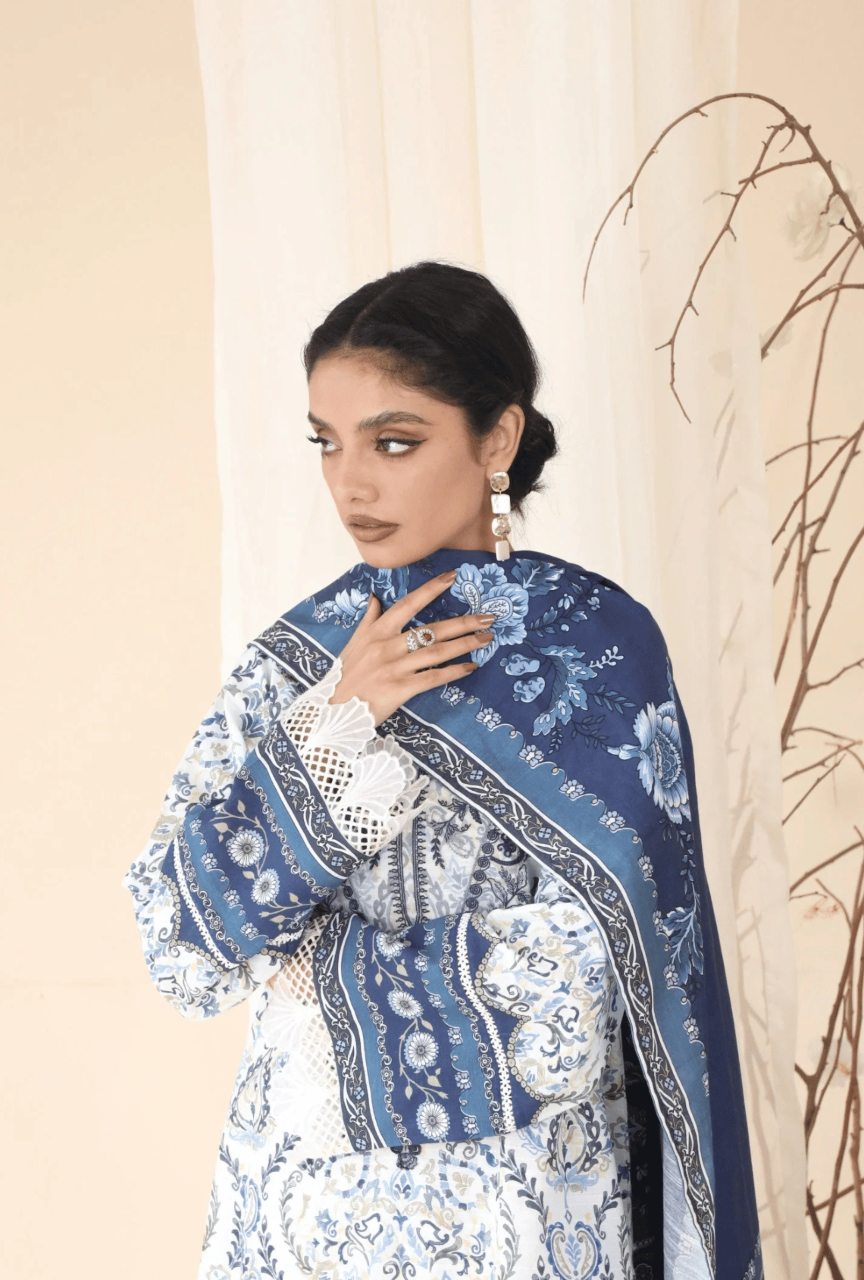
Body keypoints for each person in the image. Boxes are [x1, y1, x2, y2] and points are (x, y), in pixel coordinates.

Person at [123, 262, 761, 1280]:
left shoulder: (599, 654)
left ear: (496, 438)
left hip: (530, 1216)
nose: (351, 482)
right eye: (326, 443)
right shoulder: (299, 665)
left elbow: (591, 975)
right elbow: (180, 942)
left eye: (395, 440)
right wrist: (337, 731)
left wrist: (315, 1001)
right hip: (295, 1220)